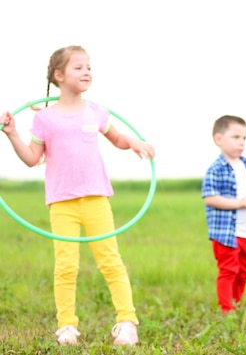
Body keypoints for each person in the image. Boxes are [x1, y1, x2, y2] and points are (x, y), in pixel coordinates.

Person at [0, 46, 155, 346]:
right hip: (61, 202)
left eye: (89, 67)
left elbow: (118, 138)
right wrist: (12, 134)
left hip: (96, 198)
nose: (87, 72)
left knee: (111, 261)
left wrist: (134, 142)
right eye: (78, 67)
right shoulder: (45, 119)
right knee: (66, 265)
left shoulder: (95, 111)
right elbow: (33, 158)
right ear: (59, 75)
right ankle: (67, 327)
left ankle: (127, 322)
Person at [202, 115, 246, 313]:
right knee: (229, 270)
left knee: (244, 269)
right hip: (226, 233)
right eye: (236, 137)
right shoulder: (216, 168)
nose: (241, 142)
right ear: (219, 139)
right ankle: (226, 309)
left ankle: (236, 303)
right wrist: (238, 203)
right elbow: (210, 198)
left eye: (244, 138)